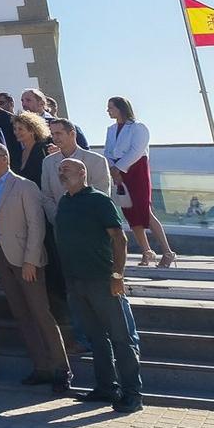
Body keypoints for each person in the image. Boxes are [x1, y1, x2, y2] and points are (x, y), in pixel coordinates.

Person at [0, 142, 69, 393]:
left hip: (25, 257)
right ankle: (41, 367)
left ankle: (61, 368)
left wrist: (31, 260)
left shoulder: (25, 185)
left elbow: (36, 226)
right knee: (21, 314)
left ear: (4, 158)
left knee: (41, 313)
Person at [54, 157, 143, 412]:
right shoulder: (64, 202)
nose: (62, 173)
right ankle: (106, 387)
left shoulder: (99, 200)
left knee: (121, 338)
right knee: (96, 337)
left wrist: (117, 275)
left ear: (83, 173)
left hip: (102, 280)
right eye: (60, 170)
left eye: (67, 169)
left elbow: (119, 239)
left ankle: (132, 393)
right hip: (75, 281)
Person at [104, 96, 175, 267]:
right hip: (118, 170)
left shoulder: (138, 128)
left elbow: (137, 150)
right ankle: (147, 251)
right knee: (130, 212)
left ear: (121, 108)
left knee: (144, 210)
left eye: (111, 107)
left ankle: (167, 251)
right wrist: (114, 169)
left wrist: (120, 167)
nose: (108, 111)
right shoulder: (111, 129)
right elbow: (108, 150)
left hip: (136, 169)